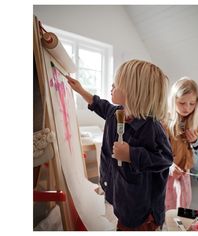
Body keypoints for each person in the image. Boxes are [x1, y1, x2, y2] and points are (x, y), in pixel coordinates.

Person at [66, 59, 173, 231]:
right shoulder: (115, 112)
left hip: (140, 210)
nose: (112, 86)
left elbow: (165, 159)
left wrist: (132, 154)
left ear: (133, 91)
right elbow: (99, 104)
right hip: (121, 194)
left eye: (116, 84)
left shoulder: (152, 127)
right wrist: (80, 90)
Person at [163, 77, 198, 211]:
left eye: (192, 104)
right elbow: (156, 153)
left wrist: (196, 143)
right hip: (167, 178)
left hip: (184, 177)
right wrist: (169, 166)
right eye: (182, 103)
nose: (187, 108)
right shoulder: (164, 123)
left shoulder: (195, 124)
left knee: (182, 213)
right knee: (167, 213)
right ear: (174, 100)